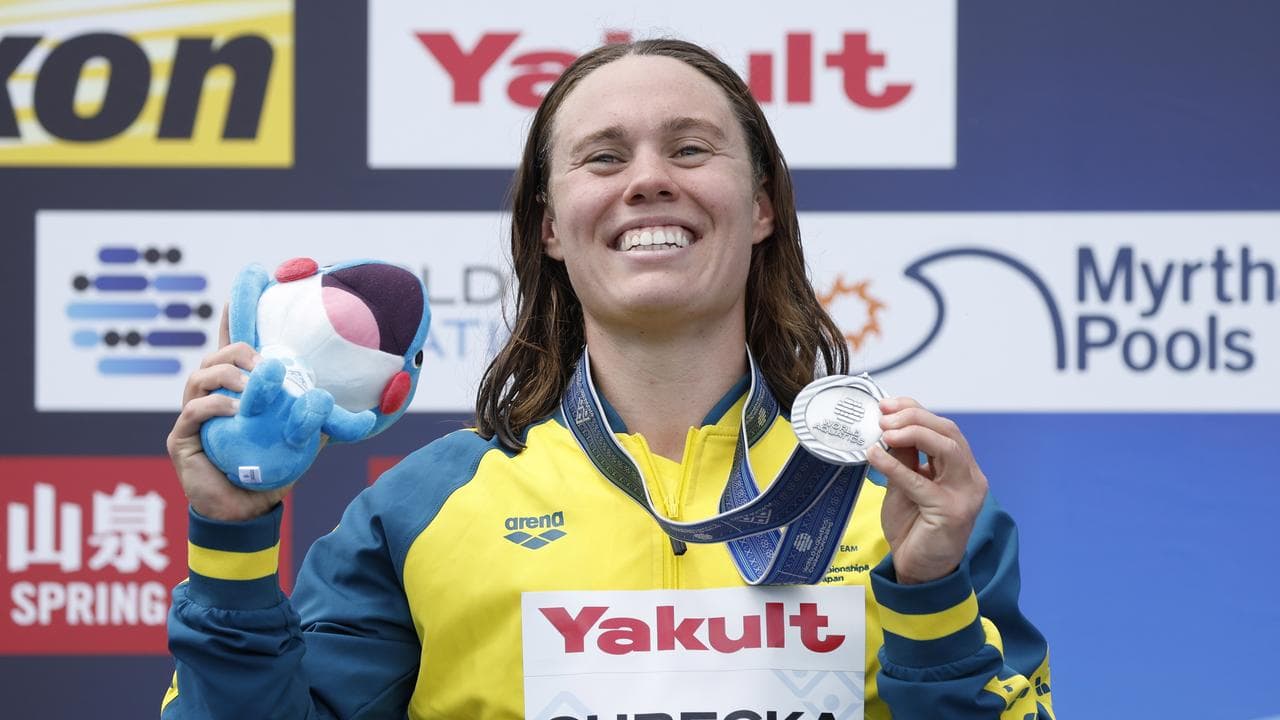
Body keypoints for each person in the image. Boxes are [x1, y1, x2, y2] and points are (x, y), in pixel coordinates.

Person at [162, 39, 1054, 719]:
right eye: (603, 158)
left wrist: (930, 591)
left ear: (762, 208)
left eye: (692, 149)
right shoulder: (420, 508)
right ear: (549, 226)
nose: (649, 181)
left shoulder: (901, 495)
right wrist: (231, 540)